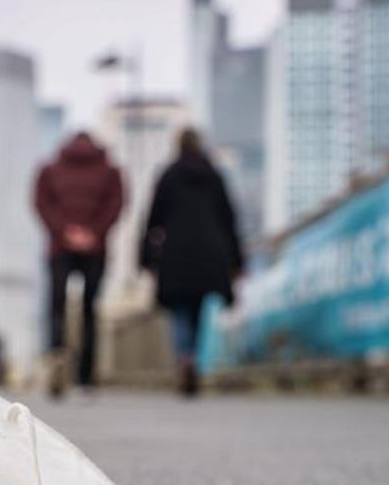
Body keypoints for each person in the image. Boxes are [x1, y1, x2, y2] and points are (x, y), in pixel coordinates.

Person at [139, 127, 243, 397]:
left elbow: (152, 220)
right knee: (197, 311)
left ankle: (183, 358)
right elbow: (229, 220)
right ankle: (193, 358)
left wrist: (146, 258)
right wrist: (237, 261)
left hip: (175, 254)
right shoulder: (215, 176)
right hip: (209, 255)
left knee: (179, 312)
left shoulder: (168, 175)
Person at [34, 131, 124, 398]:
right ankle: (86, 378)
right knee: (90, 312)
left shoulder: (49, 169)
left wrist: (64, 232)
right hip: (95, 249)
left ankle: (57, 365)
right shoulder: (111, 171)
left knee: (56, 307)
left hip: (59, 248)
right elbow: (116, 205)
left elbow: (41, 204)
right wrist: (93, 233)